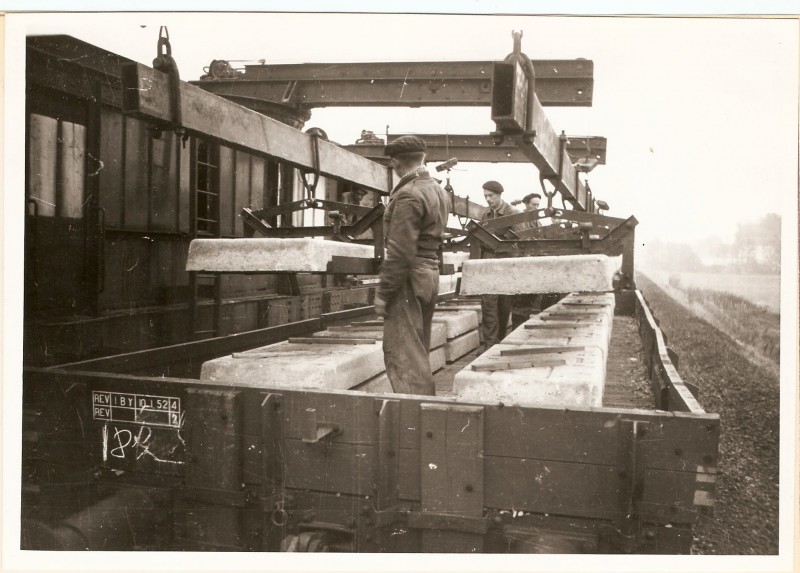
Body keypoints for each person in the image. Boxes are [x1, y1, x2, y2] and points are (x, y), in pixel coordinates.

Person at [373, 135, 449, 395]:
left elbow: (400, 251)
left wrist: (384, 293)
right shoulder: (438, 190)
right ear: (423, 158)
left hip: (410, 277)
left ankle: (415, 414)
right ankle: (423, 409)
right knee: (418, 351)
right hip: (429, 273)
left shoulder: (408, 194)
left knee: (405, 356)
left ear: (395, 162)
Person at [479, 180, 520, 347]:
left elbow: (519, 240)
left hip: (505, 264)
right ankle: (489, 345)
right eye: (485, 196)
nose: (488, 199)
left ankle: (499, 341)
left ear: (499, 195)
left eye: (491, 196)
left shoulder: (512, 213)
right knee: (488, 305)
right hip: (489, 263)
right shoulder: (485, 215)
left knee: (504, 304)